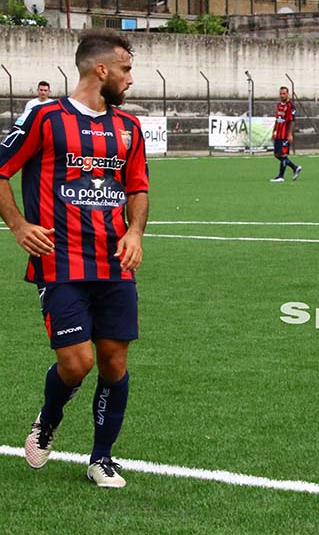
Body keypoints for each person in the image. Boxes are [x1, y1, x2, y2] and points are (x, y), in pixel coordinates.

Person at [0, 30, 149, 487]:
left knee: (114, 362)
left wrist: (135, 231)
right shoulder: (46, 119)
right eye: (125, 69)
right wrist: (20, 225)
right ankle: (48, 419)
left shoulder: (129, 127)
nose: (130, 78)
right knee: (76, 363)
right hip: (60, 262)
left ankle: (101, 458)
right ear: (100, 70)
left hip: (113, 263)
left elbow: (138, 186)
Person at [270, 86, 301, 182]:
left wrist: (290, 134)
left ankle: (281, 176)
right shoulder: (279, 104)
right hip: (278, 133)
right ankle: (295, 167)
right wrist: (274, 131)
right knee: (276, 154)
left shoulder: (290, 106)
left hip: (285, 134)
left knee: (283, 154)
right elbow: (277, 119)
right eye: (280, 93)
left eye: (284, 93)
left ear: (288, 94)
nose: (282, 95)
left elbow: (292, 121)